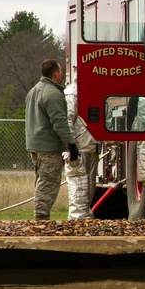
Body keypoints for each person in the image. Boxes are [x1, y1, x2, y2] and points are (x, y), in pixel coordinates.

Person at [25, 59, 77, 220]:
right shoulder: (53, 94)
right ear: (55, 73)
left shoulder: (34, 91)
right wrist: (71, 144)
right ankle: (41, 217)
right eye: (60, 71)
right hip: (48, 146)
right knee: (48, 182)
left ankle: (41, 215)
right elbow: (59, 123)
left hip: (35, 145)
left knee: (42, 180)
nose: (61, 73)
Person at [64, 71, 97, 220]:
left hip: (89, 145)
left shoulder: (90, 90)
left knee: (89, 184)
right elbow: (67, 120)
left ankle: (84, 215)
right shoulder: (71, 94)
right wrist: (71, 145)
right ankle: (77, 218)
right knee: (78, 184)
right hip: (78, 147)